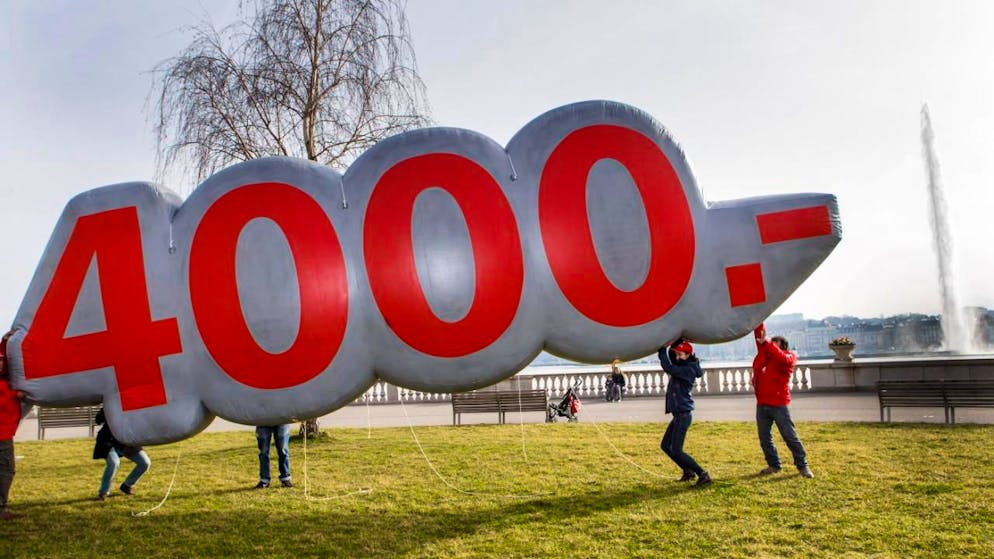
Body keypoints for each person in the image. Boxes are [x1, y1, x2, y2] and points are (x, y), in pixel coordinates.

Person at [751, 325, 814, 478]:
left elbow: (779, 356)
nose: (769, 347)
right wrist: (757, 322)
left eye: (774, 344)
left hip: (779, 405)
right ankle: (774, 465)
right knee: (764, 438)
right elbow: (761, 338)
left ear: (783, 347)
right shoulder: (765, 356)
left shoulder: (789, 358)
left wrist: (767, 343)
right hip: (762, 404)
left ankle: (803, 466)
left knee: (789, 436)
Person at [658, 338, 711, 486]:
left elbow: (668, 367)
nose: (677, 357)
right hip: (678, 414)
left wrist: (661, 349)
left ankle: (703, 474)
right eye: (676, 354)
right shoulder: (683, 363)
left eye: (680, 354)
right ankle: (688, 471)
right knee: (665, 446)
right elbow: (671, 358)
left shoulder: (688, 370)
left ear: (688, 355)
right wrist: (674, 343)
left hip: (683, 414)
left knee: (677, 450)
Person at [93, 408, 151, 500]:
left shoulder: (138, 411)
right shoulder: (112, 406)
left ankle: (126, 485)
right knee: (114, 463)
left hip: (128, 443)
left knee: (145, 463)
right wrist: (106, 409)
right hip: (109, 442)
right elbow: (98, 420)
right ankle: (103, 492)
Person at [1, 330, 26, 520]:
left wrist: (5, 341)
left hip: (5, 431)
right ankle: (1, 509)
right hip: (2, 435)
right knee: (7, 470)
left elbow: (5, 361)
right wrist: (14, 395)